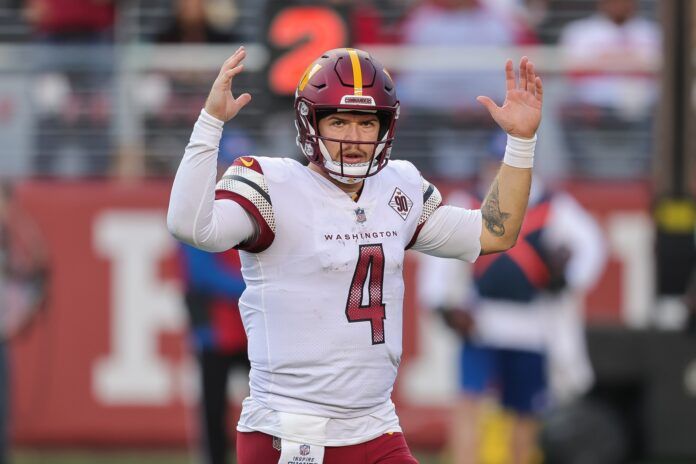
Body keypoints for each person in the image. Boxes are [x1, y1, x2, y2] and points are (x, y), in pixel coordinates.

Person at [167, 46, 543, 463]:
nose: (352, 137)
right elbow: (190, 226)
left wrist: (521, 142)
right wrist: (209, 124)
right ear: (311, 122)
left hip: (376, 428)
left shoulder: (398, 187)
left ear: (385, 127)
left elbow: (495, 231)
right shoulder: (273, 184)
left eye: (366, 123)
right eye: (339, 121)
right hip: (289, 433)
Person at [424, 155, 606, 463]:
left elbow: (591, 244)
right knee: (470, 403)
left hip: (531, 323)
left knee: (524, 412)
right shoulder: (468, 201)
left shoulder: (552, 205)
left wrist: (568, 279)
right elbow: (438, 253)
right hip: (481, 320)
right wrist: (442, 302)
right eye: (494, 164)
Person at [179, 243, 248, 464]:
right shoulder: (196, 223)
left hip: (250, 330)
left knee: (274, 401)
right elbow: (202, 275)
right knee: (213, 411)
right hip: (215, 333)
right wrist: (255, 286)